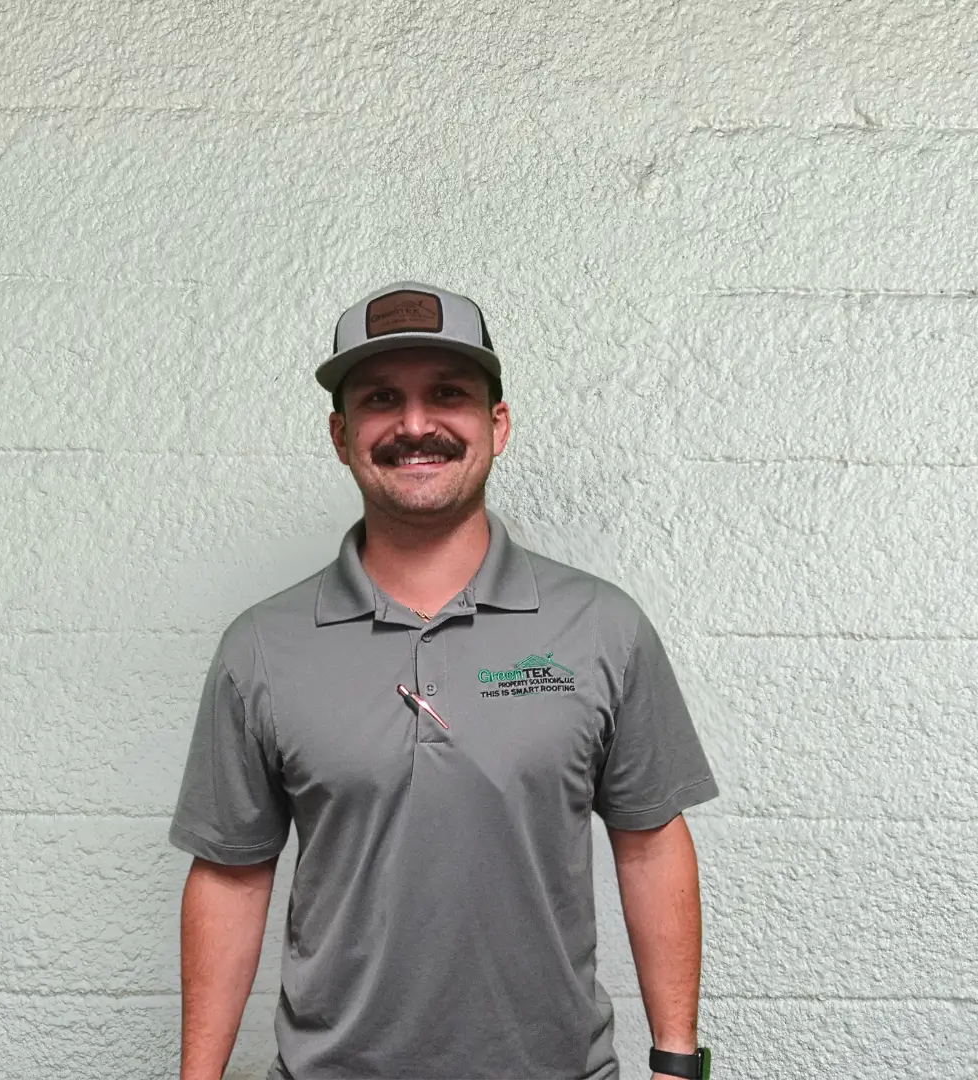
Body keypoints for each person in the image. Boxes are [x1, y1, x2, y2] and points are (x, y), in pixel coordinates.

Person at [169, 282, 719, 1080]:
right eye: (382, 399)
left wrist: (677, 1065)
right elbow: (229, 874)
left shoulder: (602, 626)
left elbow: (650, 842)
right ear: (341, 433)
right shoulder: (261, 648)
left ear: (497, 424)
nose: (416, 424)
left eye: (448, 395)